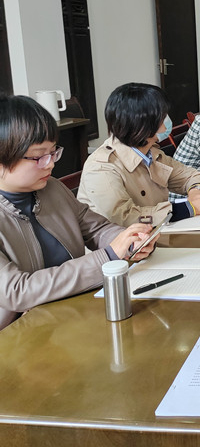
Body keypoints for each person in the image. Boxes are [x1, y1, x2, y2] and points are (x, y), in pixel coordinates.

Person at [0, 95, 156, 330]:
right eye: (39, 156)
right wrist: (108, 257)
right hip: (17, 334)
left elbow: (96, 228)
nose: (50, 163)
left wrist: (130, 240)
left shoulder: (52, 188)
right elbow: (17, 291)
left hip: (68, 316)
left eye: (53, 152)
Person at [78, 83, 200, 227]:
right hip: (126, 240)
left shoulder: (150, 152)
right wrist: (191, 208)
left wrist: (196, 191)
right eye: (162, 116)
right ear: (142, 124)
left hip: (156, 232)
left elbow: (190, 175)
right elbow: (124, 217)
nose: (167, 120)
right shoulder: (102, 166)